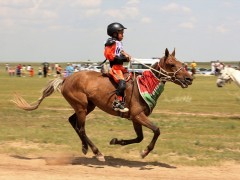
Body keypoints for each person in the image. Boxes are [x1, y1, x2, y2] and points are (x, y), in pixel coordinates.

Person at [104, 22, 131, 112]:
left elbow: (121, 52)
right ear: (114, 33)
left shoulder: (119, 43)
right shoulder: (111, 42)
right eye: (121, 33)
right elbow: (108, 55)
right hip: (115, 67)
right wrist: (122, 58)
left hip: (121, 67)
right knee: (122, 83)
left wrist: (127, 56)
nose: (123, 35)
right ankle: (117, 103)